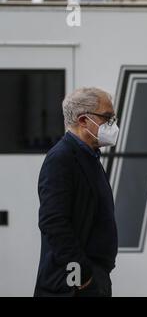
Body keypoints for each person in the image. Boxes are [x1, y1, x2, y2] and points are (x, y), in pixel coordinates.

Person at [34, 87, 119, 297]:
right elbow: (53, 222)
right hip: (71, 285)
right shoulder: (61, 158)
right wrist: (83, 277)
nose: (113, 125)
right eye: (107, 117)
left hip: (92, 279)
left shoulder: (89, 155)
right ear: (83, 120)